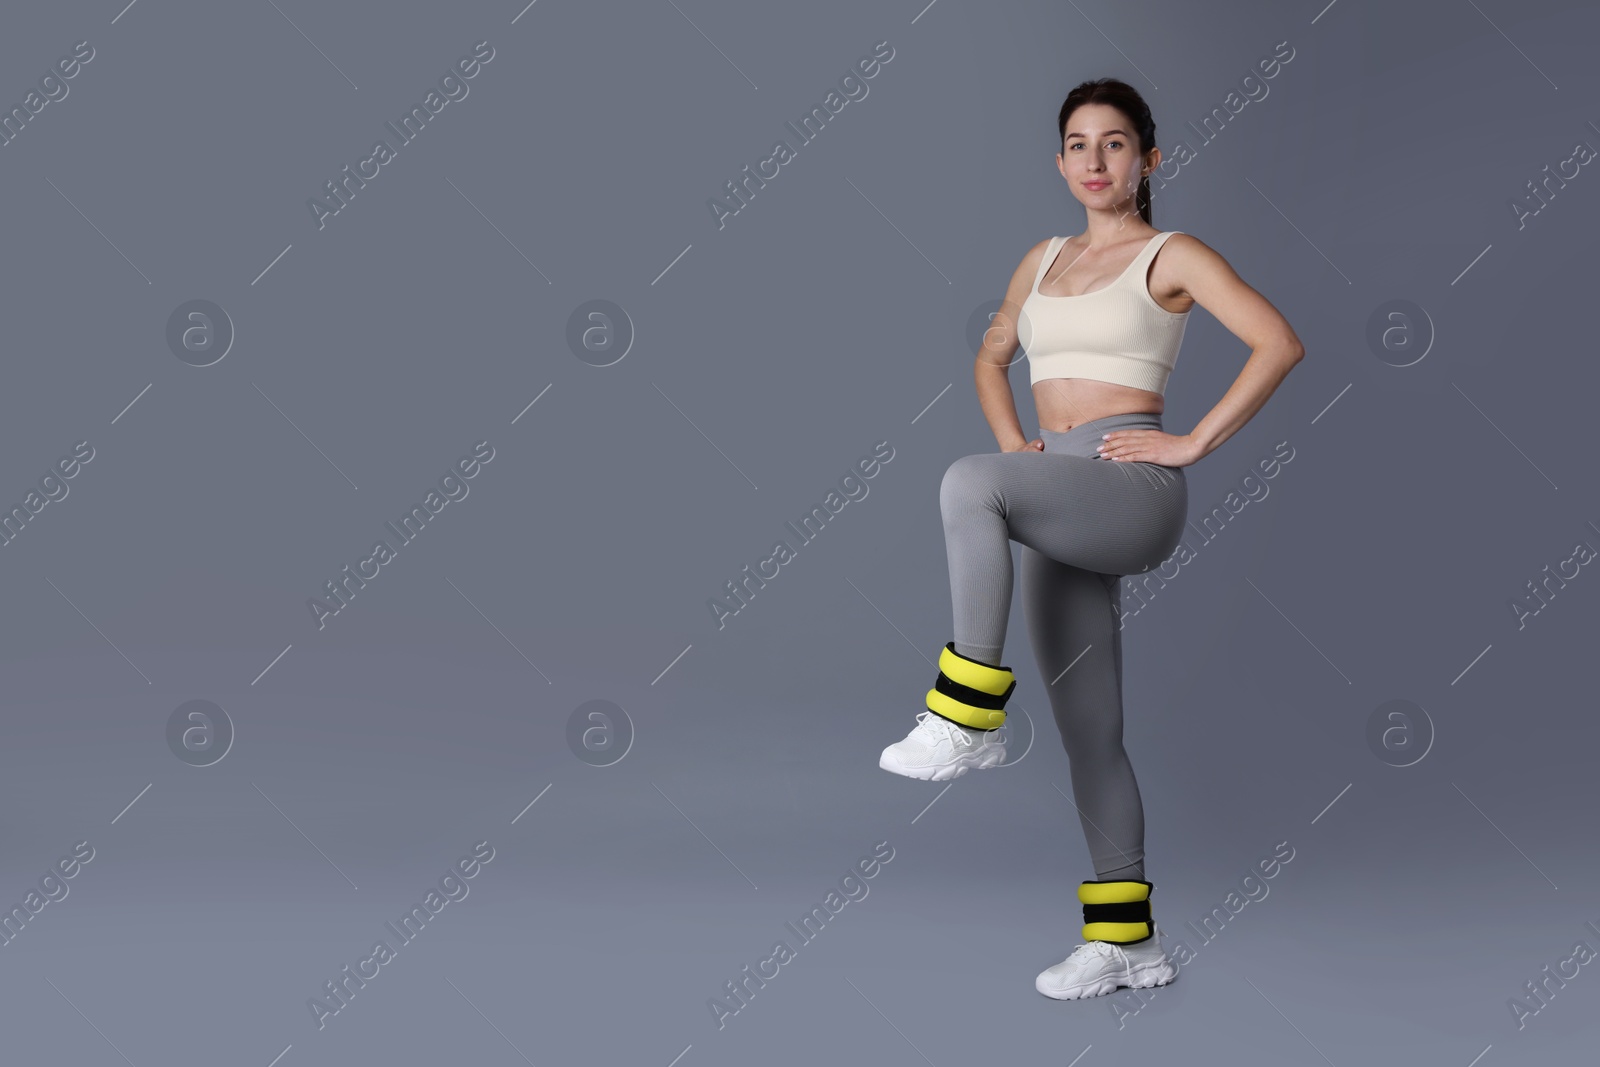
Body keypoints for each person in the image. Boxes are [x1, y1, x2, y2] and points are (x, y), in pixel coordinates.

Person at [877, 78, 1305, 1001]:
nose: (1095, 161)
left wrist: (1191, 442)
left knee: (965, 484)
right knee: (1090, 734)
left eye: (1116, 144)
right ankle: (1129, 944)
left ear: (1149, 159)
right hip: (1054, 488)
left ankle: (966, 715)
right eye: (1078, 144)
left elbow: (1276, 340)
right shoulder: (1038, 260)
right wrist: (1017, 449)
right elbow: (995, 353)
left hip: (1130, 485)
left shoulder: (1171, 253)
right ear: (1061, 161)